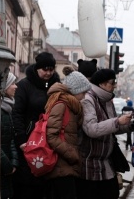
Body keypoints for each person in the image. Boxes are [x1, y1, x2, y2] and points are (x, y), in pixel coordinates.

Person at [77, 68, 134, 199]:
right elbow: (92, 129)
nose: (114, 85)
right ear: (102, 84)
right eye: (112, 82)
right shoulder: (88, 99)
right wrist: (117, 121)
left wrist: (129, 125)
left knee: (112, 193)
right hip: (89, 168)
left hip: (107, 165)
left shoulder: (107, 100)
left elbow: (113, 127)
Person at [12, 52, 60, 199]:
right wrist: (21, 140)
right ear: (37, 68)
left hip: (49, 142)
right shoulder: (24, 86)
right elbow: (17, 113)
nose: (48, 73)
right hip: (29, 142)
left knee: (47, 185)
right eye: (45, 69)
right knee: (28, 184)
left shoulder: (56, 86)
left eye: (51, 69)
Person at [45, 66, 92, 199]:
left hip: (66, 167)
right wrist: (72, 154)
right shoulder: (61, 105)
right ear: (74, 91)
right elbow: (51, 135)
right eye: (83, 93)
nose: (84, 96)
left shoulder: (72, 106)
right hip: (60, 167)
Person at [0, 72, 19, 199]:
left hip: (5, 169)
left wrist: (14, 162)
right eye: (12, 83)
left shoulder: (7, 108)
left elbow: (11, 138)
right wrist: (8, 166)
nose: (16, 86)